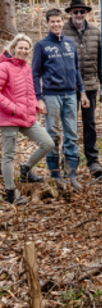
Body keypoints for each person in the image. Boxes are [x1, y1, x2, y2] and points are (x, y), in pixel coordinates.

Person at [32, 8, 90, 191]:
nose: (56, 24)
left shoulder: (69, 42)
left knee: (72, 134)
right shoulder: (42, 45)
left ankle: (71, 174)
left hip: (71, 95)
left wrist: (82, 92)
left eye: (58, 21)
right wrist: (39, 98)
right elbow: (35, 74)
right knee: (53, 134)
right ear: (47, 23)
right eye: (52, 21)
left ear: (62, 21)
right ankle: (55, 174)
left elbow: (76, 69)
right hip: (51, 95)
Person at [1, 35, 55, 205]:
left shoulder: (27, 68)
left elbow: (31, 92)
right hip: (9, 117)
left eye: (26, 48)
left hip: (26, 117)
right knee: (8, 155)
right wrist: (13, 108)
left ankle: (25, 169)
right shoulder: (3, 67)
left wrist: (34, 107)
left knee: (48, 143)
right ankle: (11, 191)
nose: (23, 51)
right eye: (21, 47)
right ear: (14, 48)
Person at [62, 0, 102, 178]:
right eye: (75, 12)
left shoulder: (95, 31)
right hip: (68, 87)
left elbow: (101, 60)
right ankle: (69, 160)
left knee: (90, 124)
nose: (79, 15)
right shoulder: (62, 31)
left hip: (90, 85)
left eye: (82, 12)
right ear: (70, 13)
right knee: (69, 124)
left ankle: (92, 160)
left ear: (86, 13)